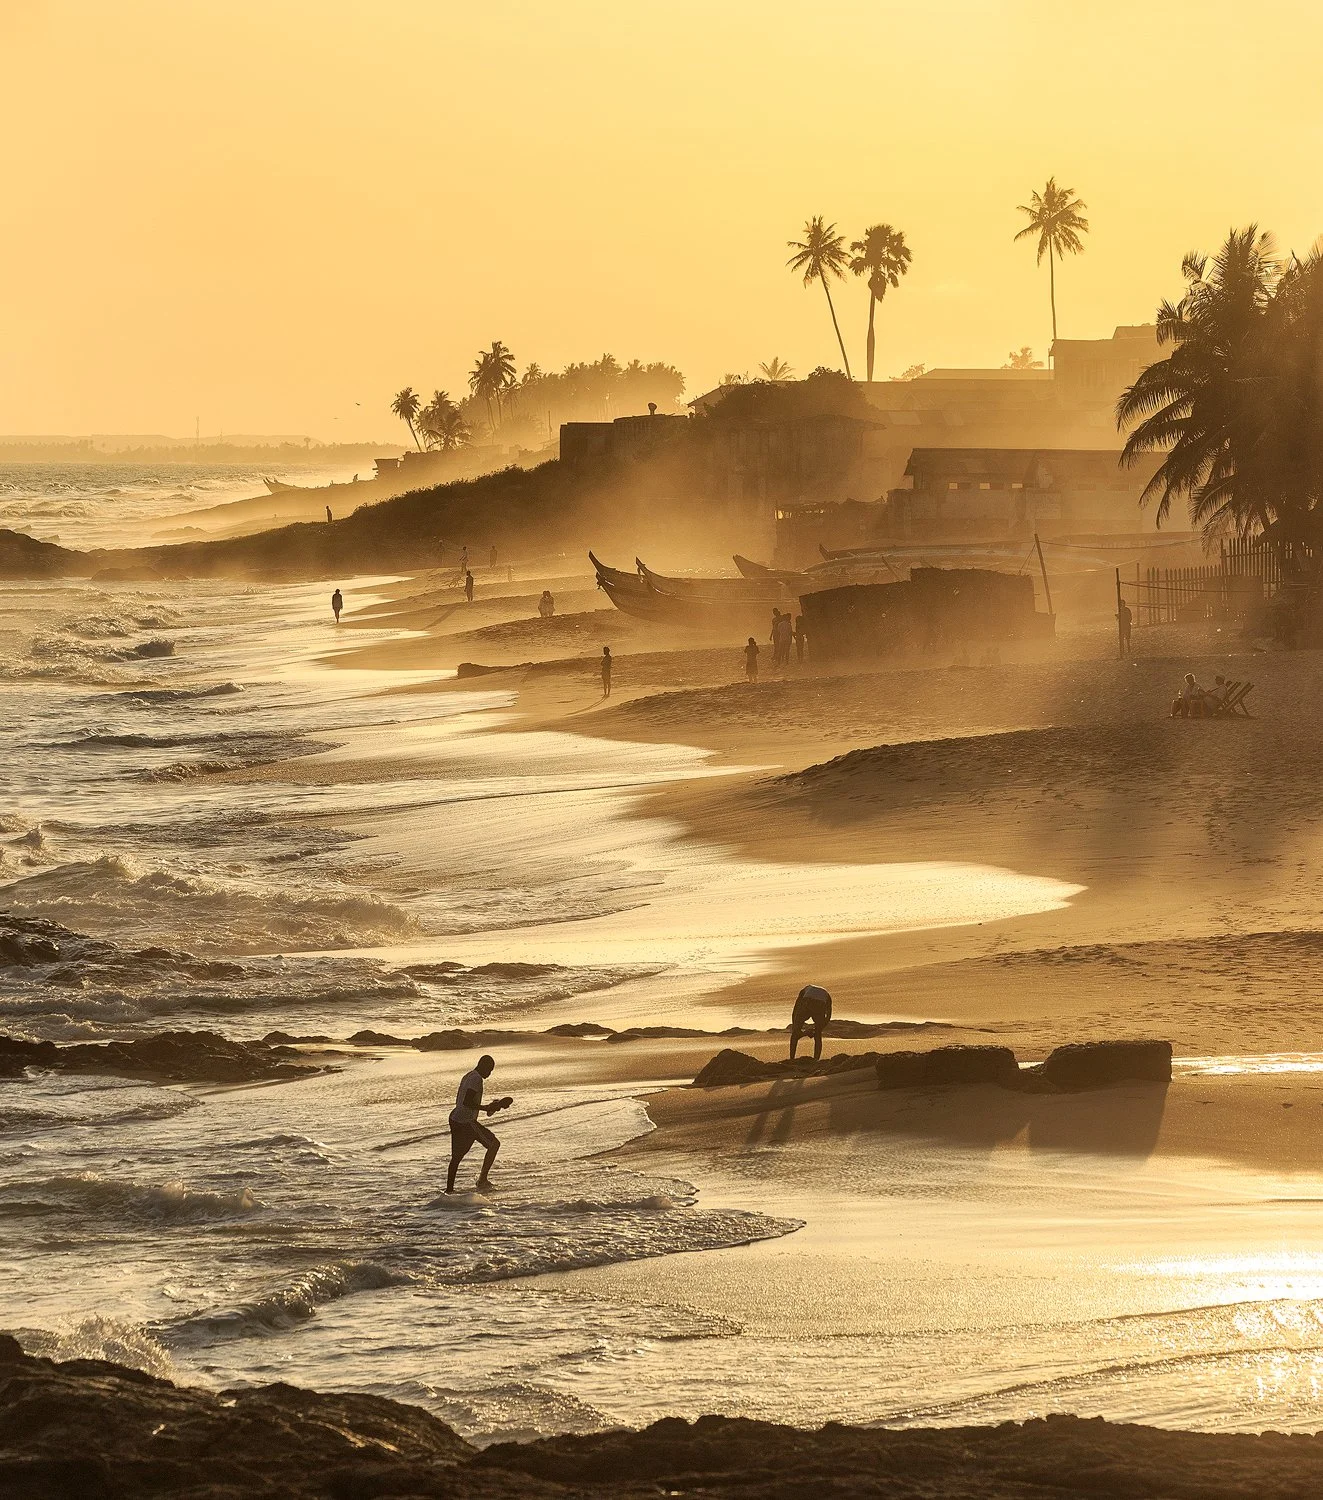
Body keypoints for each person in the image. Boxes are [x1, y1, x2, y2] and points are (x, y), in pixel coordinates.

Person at [445, 1055, 511, 1193]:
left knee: (456, 1158)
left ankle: (449, 1190)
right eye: (490, 1070)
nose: (490, 1073)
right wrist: (486, 1108)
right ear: (483, 1065)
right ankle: (482, 1180)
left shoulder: (469, 1075)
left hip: (455, 1118)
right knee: (494, 1144)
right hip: (466, 1122)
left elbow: (465, 1101)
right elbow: (467, 1102)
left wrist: (491, 1106)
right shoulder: (476, 1079)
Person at [789, 983, 833, 1061]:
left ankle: (792, 1058)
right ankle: (816, 1060)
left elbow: (795, 1010)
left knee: (795, 1035)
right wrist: (818, 1029)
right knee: (818, 1035)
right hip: (821, 1002)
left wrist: (795, 1028)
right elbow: (828, 1016)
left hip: (807, 1000)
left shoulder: (804, 990)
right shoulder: (827, 995)